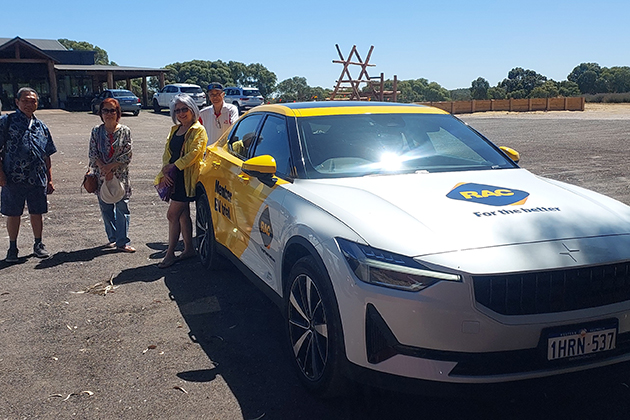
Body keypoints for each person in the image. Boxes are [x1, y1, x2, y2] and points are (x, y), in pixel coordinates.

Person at [0, 87, 56, 262]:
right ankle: (12, 247)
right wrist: (0, 174)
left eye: (33, 101)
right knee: (13, 213)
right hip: (13, 177)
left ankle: (38, 244)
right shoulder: (6, 122)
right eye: (25, 100)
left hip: (37, 177)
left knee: (37, 212)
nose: (29, 104)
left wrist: (50, 179)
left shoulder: (41, 127)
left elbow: (47, 155)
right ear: (17, 102)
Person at [154, 94, 208, 268]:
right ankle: (189, 249)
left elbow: (194, 154)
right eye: (177, 110)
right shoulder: (174, 130)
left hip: (186, 178)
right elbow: (167, 152)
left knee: (172, 215)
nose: (181, 113)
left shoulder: (198, 130)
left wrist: (173, 167)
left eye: (185, 109)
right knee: (183, 214)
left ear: (192, 109)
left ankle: (170, 254)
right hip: (174, 177)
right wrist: (166, 168)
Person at [88, 97, 135, 253]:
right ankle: (113, 238)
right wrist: (103, 168)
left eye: (112, 110)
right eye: (105, 110)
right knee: (106, 208)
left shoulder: (125, 131)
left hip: (120, 176)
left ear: (118, 113)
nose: (109, 114)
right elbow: (93, 153)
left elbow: (127, 155)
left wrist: (111, 168)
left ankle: (122, 241)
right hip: (101, 176)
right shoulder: (96, 131)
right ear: (101, 113)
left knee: (122, 207)